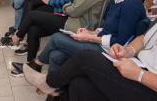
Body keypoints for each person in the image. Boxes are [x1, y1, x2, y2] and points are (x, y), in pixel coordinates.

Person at [23, 0, 148, 95]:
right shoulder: (116, 0)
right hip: (103, 45)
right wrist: (92, 32)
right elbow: (108, 29)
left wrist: (91, 38)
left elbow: (121, 42)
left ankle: (37, 65)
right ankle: (54, 91)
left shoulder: (131, 5)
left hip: (111, 53)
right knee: (55, 55)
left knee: (56, 38)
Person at [8, 0, 112, 77]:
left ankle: (16, 38)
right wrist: (63, 2)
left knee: (32, 15)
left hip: (77, 24)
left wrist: (63, 4)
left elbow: (73, 9)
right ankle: (32, 67)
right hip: (74, 19)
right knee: (34, 28)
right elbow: (73, 2)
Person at [24, 23, 157, 101]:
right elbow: (143, 38)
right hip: (138, 65)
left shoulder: (130, 4)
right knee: (79, 84)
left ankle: (48, 82)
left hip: (147, 81)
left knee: (85, 57)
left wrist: (139, 74)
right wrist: (128, 50)